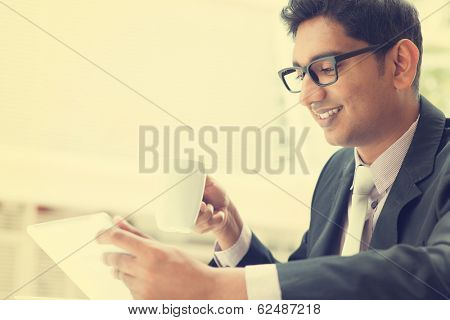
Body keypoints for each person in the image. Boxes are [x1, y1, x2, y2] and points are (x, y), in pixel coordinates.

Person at [97, 0, 450, 299]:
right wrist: (232, 233)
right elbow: (301, 288)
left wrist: (213, 287)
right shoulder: (338, 172)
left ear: (399, 64)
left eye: (325, 69)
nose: (307, 97)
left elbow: (437, 274)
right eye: (301, 75)